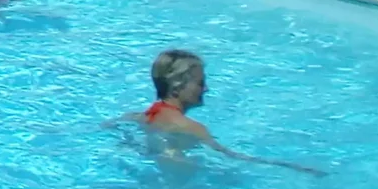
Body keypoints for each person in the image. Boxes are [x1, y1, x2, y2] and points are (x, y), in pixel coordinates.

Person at [136, 49, 321, 175]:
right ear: (176, 87)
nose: (206, 89)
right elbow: (235, 158)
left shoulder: (143, 117)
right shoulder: (192, 128)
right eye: (200, 83)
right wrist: (294, 167)